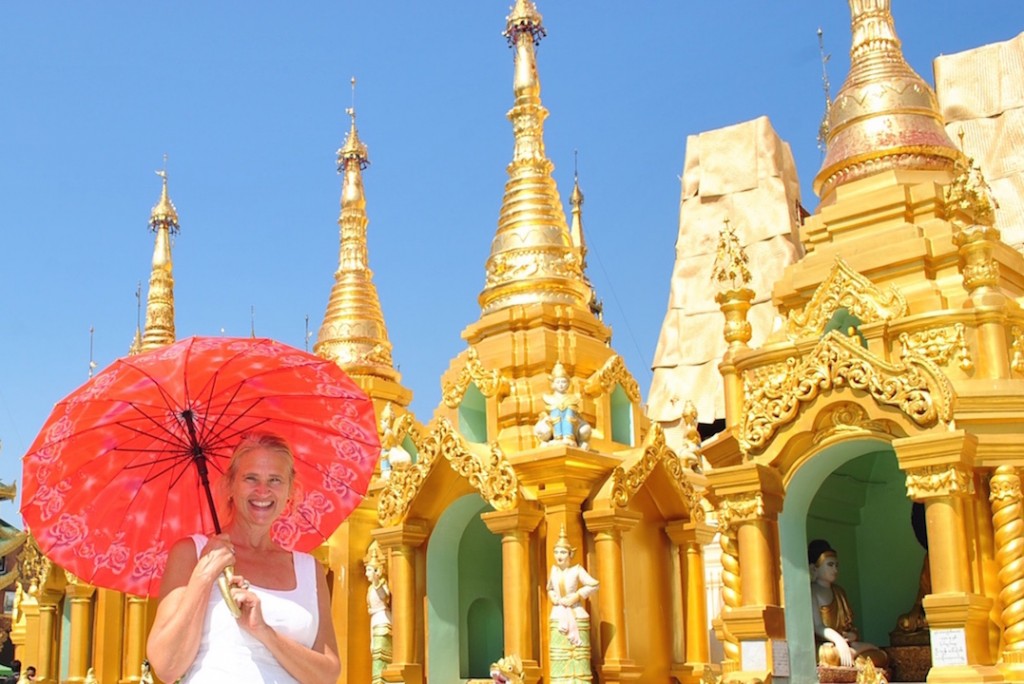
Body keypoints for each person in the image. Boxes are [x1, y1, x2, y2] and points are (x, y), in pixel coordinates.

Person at [146, 432, 340, 684]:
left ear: (290, 489)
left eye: (275, 480)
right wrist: (204, 576)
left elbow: (327, 675)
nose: (263, 490)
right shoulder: (192, 552)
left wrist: (264, 631)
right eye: (251, 478)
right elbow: (166, 667)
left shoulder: (308, 568)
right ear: (230, 485)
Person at [808, 539, 887, 669]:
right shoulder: (812, 591)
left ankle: (853, 653)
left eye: (837, 565)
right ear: (814, 568)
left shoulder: (839, 592)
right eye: (830, 565)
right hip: (828, 646)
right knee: (830, 656)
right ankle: (854, 654)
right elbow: (818, 626)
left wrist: (852, 636)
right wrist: (838, 640)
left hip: (847, 643)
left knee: (881, 656)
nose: (835, 569)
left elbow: (849, 625)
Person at [546, 525, 599, 684]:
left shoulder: (576, 570)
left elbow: (594, 584)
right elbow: (549, 588)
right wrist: (554, 597)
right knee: (560, 655)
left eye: (562, 552)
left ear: (570, 554)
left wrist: (576, 596)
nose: (559, 555)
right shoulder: (554, 571)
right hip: (558, 614)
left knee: (578, 654)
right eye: (556, 552)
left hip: (575, 613)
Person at [534, 362, 592, 450]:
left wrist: (568, 438)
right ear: (553, 384)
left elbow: (570, 418)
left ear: (568, 383)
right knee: (544, 429)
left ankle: (570, 438)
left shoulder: (572, 399)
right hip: (554, 431)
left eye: (563, 382)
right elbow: (554, 417)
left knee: (585, 429)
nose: (561, 385)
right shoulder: (550, 399)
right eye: (558, 382)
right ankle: (557, 438)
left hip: (572, 432)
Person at [364, 541, 393, 684]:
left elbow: (384, 597)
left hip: (383, 621)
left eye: (369, 570)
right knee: (375, 654)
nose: (366, 573)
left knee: (381, 655)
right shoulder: (370, 589)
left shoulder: (380, 586)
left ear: (377, 571)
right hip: (375, 620)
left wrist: (376, 582)